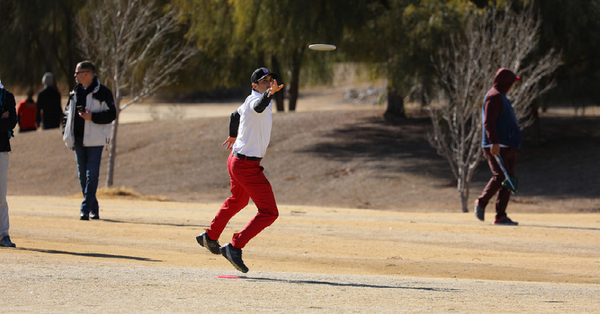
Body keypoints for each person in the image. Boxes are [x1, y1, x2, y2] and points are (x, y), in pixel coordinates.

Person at [196, 67, 284, 273]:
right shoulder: (256, 101)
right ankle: (234, 247)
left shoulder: (250, 100)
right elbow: (259, 106)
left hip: (237, 160)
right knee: (269, 212)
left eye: (270, 80)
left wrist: (233, 134)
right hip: (246, 166)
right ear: (254, 85)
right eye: (264, 81)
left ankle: (210, 236)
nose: (268, 83)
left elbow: (234, 115)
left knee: (239, 200)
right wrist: (269, 94)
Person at [62, 61, 116, 220]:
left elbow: (112, 115)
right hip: (77, 140)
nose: (75, 76)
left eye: (77, 73)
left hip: (96, 140)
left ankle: (85, 208)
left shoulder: (104, 92)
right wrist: (66, 133)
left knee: (92, 174)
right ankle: (94, 208)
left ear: (87, 74)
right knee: (82, 176)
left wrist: (93, 117)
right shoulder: (75, 92)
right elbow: (67, 115)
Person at [475, 68, 522, 226]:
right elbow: (488, 121)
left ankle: (500, 216)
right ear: (506, 83)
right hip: (495, 146)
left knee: (509, 180)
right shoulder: (493, 96)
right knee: (501, 177)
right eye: (511, 83)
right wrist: (493, 142)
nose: (512, 86)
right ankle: (481, 202)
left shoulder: (501, 97)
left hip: (507, 146)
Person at [0, 78, 18, 247]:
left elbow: (11, 121)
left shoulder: (6, 97)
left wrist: (5, 120)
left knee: (1, 195)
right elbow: (4, 122)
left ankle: (3, 234)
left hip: (1, 149)